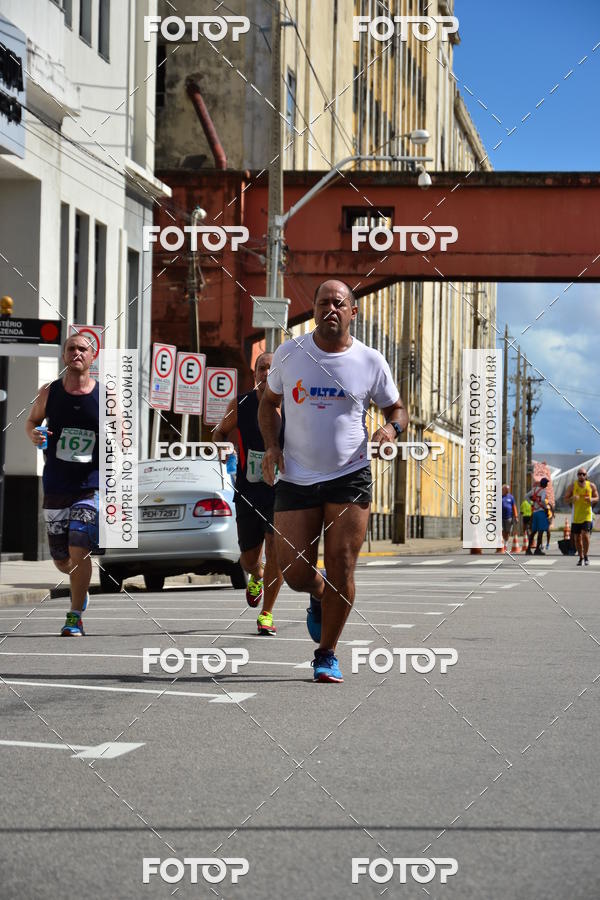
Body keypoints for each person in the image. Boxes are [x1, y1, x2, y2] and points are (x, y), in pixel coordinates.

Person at [259, 279, 408, 683]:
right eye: (323, 302)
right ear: (314, 310)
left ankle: (326, 653)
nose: (331, 309)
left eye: (339, 303)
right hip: (297, 475)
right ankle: (319, 593)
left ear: (352, 312)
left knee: (343, 565)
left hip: (350, 474)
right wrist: (272, 447)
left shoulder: (370, 361)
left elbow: (396, 408)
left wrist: (390, 431)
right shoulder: (290, 354)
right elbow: (268, 404)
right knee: (294, 574)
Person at [25, 335, 100, 636]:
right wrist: (34, 435)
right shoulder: (49, 392)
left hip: (90, 486)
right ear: (64, 355)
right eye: (71, 348)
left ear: (92, 357)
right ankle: (80, 590)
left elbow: (122, 431)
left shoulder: (105, 396)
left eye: (83, 349)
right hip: (56, 483)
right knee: (61, 560)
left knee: (79, 545)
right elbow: (31, 422)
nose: (77, 352)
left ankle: (74, 615)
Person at [213, 352, 283, 634]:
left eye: (271, 368)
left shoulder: (291, 405)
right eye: (261, 368)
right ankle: (257, 574)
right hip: (248, 489)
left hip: (281, 491)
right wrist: (224, 447)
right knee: (248, 558)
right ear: (255, 374)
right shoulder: (240, 404)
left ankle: (267, 613)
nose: (266, 372)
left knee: (276, 550)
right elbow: (218, 433)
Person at [564, 467, 599, 566]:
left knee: (585, 536)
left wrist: (591, 499)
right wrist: (572, 498)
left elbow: (597, 498)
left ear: (586, 475)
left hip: (587, 515)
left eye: (583, 474)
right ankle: (581, 557)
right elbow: (565, 499)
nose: (581, 476)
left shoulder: (591, 485)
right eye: (580, 474)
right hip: (576, 516)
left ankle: (586, 555)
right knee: (577, 539)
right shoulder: (572, 486)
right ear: (577, 475)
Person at [524, 477, 551, 556]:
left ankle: (528, 549)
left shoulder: (534, 489)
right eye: (546, 483)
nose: (547, 484)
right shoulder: (543, 491)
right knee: (541, 531)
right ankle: (537, 550)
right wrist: (546, 508)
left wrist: (532, 503)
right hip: (541, 512)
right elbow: (542, 500)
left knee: (533, 531)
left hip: (535, 512)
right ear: (544, 484)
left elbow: (526, 496)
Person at [501, 484, 517, 551]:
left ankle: (506, 543)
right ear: (503, 490)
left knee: (507, 531)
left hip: (509, 517)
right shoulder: (499, 497)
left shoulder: (511, 497)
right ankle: (502, 543)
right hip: (501, 517)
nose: (507, 490)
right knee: (502, 531)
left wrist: (516, 516)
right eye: (506, 489)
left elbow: (514, 507)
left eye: (508, 489)